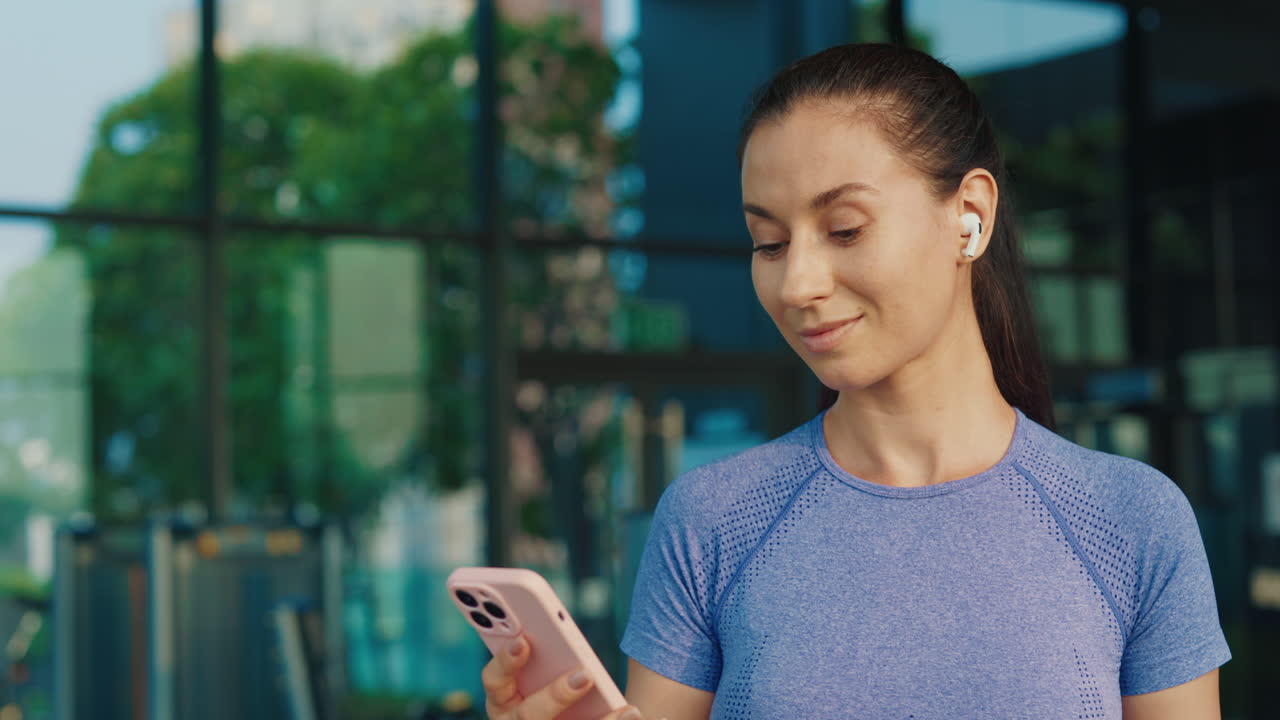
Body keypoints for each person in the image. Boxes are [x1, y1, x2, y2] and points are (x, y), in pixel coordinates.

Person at [478, 43, 1231, 720]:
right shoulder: (711, 523)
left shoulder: (1132, 522)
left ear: (969, 215)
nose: (797, 282)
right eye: (768, 242)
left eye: (844, 229)